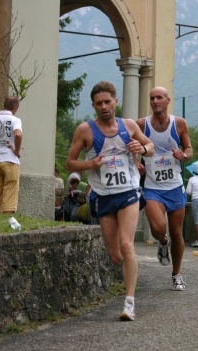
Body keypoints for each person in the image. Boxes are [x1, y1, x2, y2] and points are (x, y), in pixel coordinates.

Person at [66, 81, 154, 321]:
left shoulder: (128, 125)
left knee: (127, 245)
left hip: (128, 192)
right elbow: (70, 163)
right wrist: (90, 164)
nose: (104, 107)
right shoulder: (84, 130)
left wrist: (142, 149)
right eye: (99, 103)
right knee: (115, 255)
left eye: (108, 102)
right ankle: (127, 275)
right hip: (103, 196)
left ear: (115, 102)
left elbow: (151, 146)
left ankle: (129, 303)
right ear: (93, 106)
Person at [136, 86, 193, 291]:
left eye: (159, 97)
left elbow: (189, 149)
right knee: (159, 229)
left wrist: (183, 155)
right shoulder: (142, 124)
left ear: (168, 100)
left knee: (176, 232)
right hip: (152, 187)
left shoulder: (178, 124)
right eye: (152, 98)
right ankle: (162, 242)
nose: (155, 101)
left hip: (175, 186)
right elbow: (128, 145)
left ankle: (176, 275)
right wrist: (136, 163)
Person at [0, 96, 23, 214]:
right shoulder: (15, 120)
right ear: (15, 108)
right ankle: (8, 218)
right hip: (10, 160)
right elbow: (18, 135)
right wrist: (16, 150)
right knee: (10, 190)